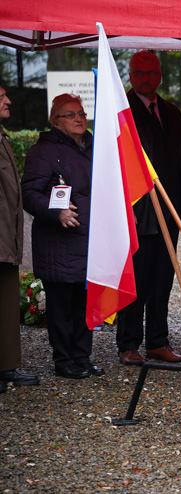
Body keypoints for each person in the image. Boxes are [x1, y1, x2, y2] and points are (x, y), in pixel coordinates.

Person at [116, 51, 181, 366]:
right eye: (140, 73)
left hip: (170, 209)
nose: (147, 78)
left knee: (163, 278)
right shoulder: (123, 112)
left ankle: (157, 342)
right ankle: (128, 344)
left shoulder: (172, 113)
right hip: (139, 211)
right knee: (137, 279)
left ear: (160, 75)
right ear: (131, 76)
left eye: (152, 73)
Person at [21, 94, 101, 379]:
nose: (79, 118)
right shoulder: (43, 151)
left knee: (85, 302)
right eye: (70, 115)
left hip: (90, 239)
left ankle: (83, 356)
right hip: (60, 241)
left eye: (81, 113)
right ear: (55, 122)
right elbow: (29, 194)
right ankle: (63, 360)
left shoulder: (94, 146)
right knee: (62, 306)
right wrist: (57, 212)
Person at [0, 86, 39, 391]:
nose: (8, 100)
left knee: (7, 303)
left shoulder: (2, 137)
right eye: (0, 97)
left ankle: (6, 367)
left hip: (6, 239)